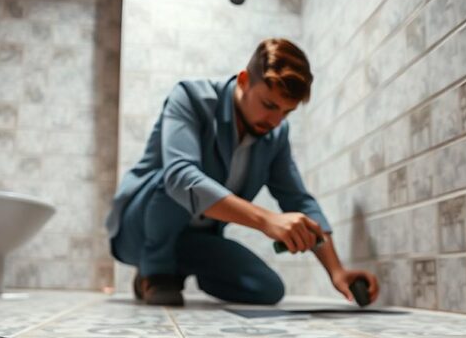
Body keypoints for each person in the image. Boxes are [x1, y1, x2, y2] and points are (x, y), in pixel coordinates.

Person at [105, 38, 379, 306]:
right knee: (179, 178)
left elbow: (299, 200)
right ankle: (155, 270)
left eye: (286, 112)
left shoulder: (276, 135)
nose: (275, 121)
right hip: (139, 228)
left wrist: (337, 271)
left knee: (268, 289)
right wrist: (267, 220)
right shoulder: (189, 97)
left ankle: (173, 267)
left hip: (198, 238)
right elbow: (179, 178)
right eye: (269, 105)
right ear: (244, 80)